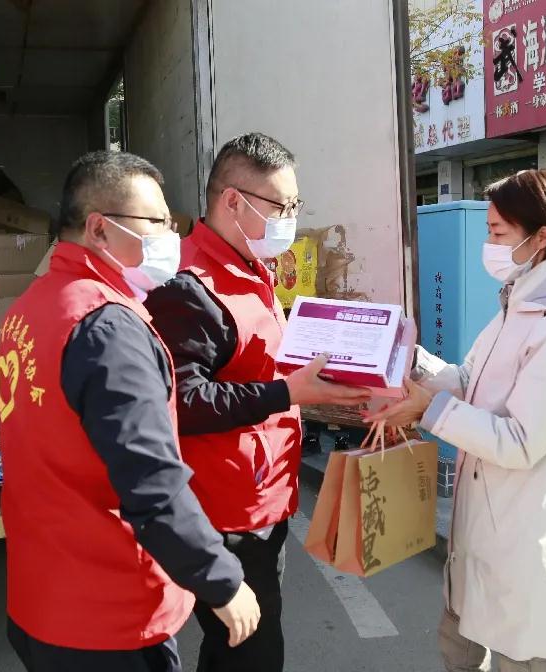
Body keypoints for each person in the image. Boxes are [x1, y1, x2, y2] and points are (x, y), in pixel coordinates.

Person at [0, 150, 261, 672]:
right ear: (99, 228)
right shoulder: (107, 328)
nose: (170, 235)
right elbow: (152, 481)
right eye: (156, 222)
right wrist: (221, 580)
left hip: (40, 599)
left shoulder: (32, 305)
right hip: (108, 615)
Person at [367, 169, 546, 672]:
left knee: (519, 658)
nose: (489, 245)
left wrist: (428, 410)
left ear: (541, 237)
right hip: (481, 527)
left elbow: (520, 441)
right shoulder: (518, 303)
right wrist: (408, 357)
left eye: (498, 232)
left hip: (522, 540)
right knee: (459, 648)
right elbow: (468, 379)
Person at [144, 132, 370, 672]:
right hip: (225, 510)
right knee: (251, 653)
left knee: (239, 647)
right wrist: (287, 393)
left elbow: (259, 365)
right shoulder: (189, 285)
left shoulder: (249, 267)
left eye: (294, 205)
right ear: (233, 202)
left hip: (264, 494)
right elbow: (184, 401)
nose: (289, 219)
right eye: (281, 206)